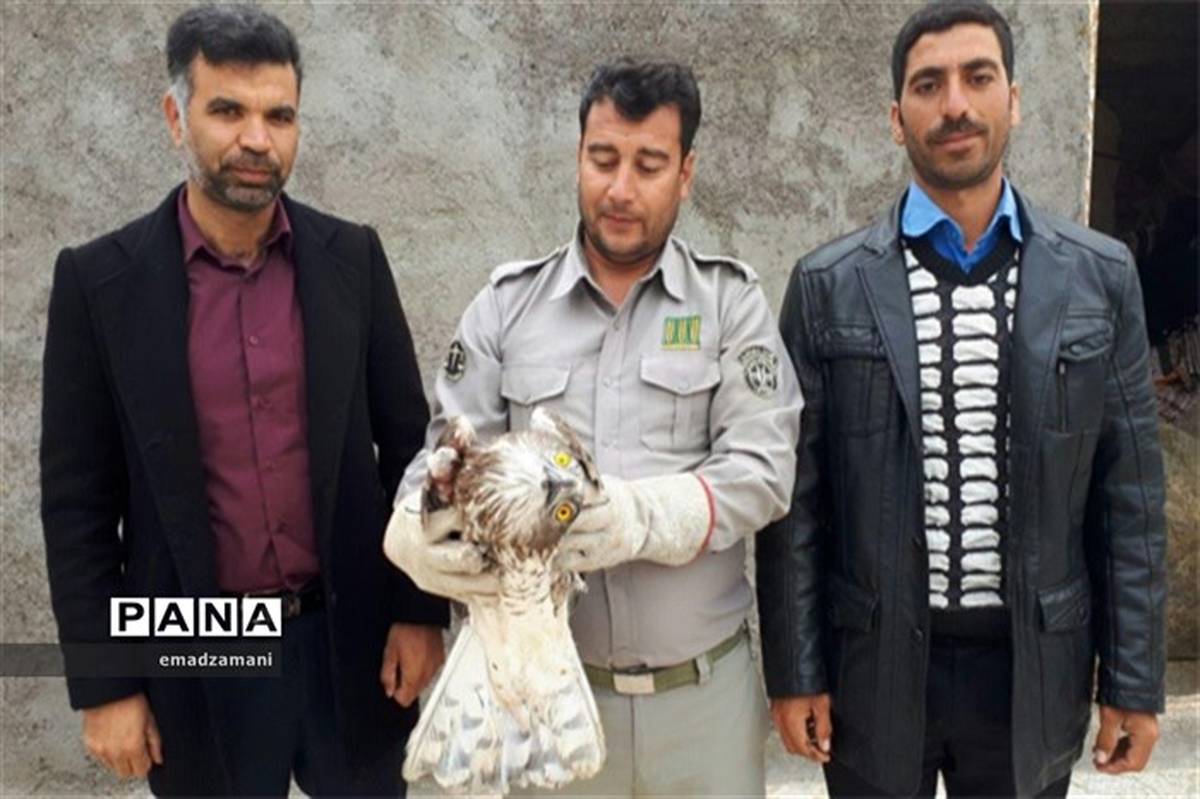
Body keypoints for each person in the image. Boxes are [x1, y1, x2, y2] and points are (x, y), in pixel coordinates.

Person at [757, 2, 1167, 796]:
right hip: (873, 667)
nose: (955, 105)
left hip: (1032, 669)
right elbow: (795, 505)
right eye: (928, 85)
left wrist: (1134, 677)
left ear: (1014, 100)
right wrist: (796, 670)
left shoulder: (1098, 278)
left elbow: (1131, 499)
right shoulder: (828, 286)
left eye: (978, 78)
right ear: (896, 117)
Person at [39, 5, 446, 795]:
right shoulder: (100, 284)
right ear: (175, 118)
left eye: (279, 116)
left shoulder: (352, 259)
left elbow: (410, 451)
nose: (257, 139)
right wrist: (105, 682)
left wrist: (419, 608)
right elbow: (77, 504)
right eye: (228, 111)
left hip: (350, 643)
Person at [384, 59, 800, 797]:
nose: (620, 189)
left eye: (649, 165)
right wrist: (416, 526)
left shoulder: (729, 304)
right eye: (603, 159)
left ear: (686, 172)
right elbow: (446, 452)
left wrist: (642, 516)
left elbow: (763, 470)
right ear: (578, 156)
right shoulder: (506, 306)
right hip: (546, 695)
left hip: (703, 701)